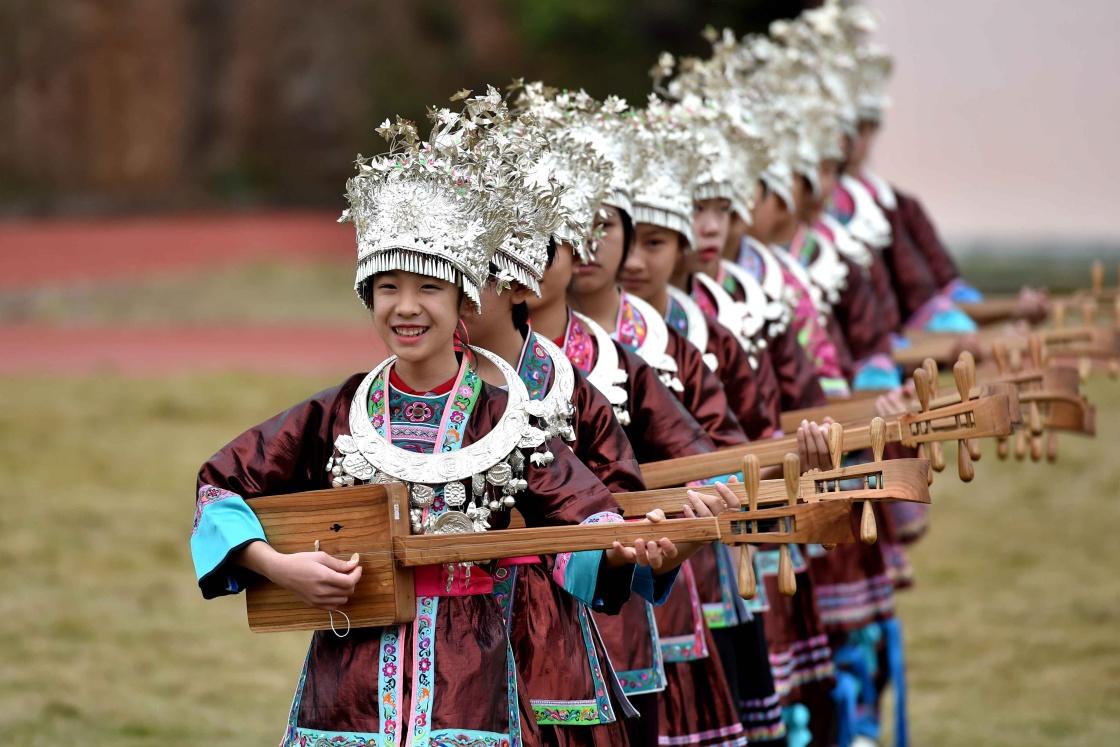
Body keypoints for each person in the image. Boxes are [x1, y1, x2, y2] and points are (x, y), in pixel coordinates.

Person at [190, 100, 681, 745]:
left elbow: (587, 523)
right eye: (387, 288)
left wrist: (624, 551)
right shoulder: (335, 414)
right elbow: (218, 487)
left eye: (428, 287)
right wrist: (281, 568)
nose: (406, 307)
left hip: (472, 690)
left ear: (464, 303)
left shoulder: (511, 422)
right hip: (350, 694)